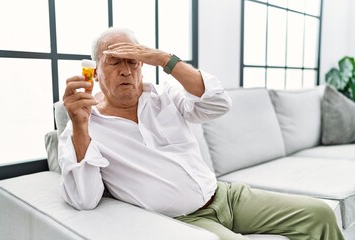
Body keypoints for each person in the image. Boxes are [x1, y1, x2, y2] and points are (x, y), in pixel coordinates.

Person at [58, 27, 344, 240]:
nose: (125, 70)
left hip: (226, 195)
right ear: (95, 71)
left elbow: (219, 102)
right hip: (184, 221)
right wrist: (81, 126)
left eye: (133, 61)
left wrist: (164, 59)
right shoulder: (83, 125)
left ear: (143, 66)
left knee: (319, 214)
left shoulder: (164, 95)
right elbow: (85, 198)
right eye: (115, 61)